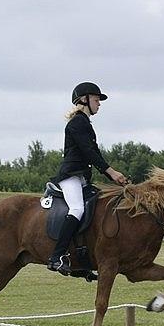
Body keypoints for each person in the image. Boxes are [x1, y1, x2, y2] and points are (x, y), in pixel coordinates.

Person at [47, 82, 127, 275]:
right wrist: (111, 172)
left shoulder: (85, 123)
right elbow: (89, 152)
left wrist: (110, 173)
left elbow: (94, 152)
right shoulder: (77, 123)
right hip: (70, 177)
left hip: (82, 178)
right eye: (96, 99)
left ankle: (82, 259)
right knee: (77, 208)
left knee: (98, 208)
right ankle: (56, 256)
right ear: (84, 100)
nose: (99, 104)